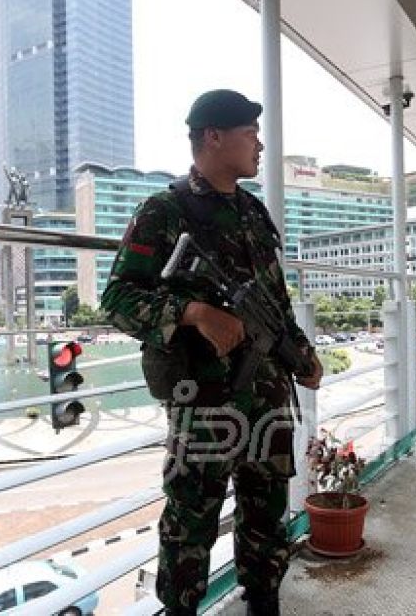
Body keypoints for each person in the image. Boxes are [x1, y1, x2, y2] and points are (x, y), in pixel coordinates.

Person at [101, 89, 323, 615]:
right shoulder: (164, 209)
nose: (260, 145)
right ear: (214, 137)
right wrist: (194, 314)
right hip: (205, 398)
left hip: (267, 390)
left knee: (266, 507)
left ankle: (263, 597)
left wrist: (304, 357)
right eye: (250, 134)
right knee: (191, 518)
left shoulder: (254, 212)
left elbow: (276, 303)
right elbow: (117, 299)